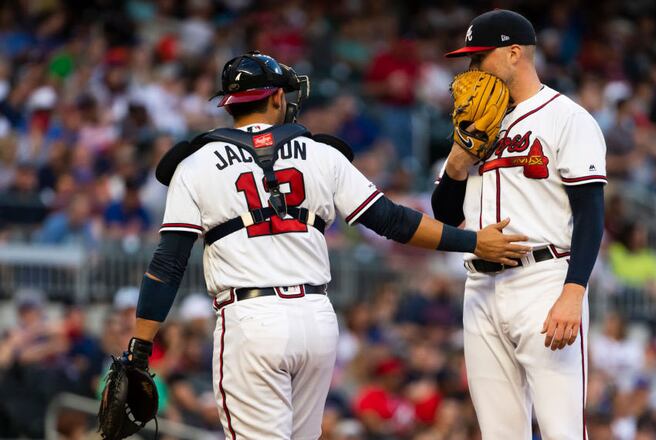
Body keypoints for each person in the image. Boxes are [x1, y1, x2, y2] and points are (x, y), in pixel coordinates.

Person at [106, 51, 529, 440]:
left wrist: (141, 349)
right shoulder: (320, 154)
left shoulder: (194, 164)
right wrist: (473, 241)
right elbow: (391, 221)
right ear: (273, 99)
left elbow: (169, 263)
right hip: (316, 320)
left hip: (250, 321)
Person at [432, 10, 607, 439]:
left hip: (544, 281)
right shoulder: (475, 120)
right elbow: (445, 216)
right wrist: (457, 159)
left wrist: (573, 290)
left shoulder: (567, 117)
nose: (471, 69)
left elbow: (590, 213)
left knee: (561, 430)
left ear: (514, 54)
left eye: (480, 57)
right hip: (479, 288)